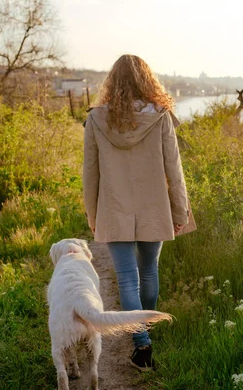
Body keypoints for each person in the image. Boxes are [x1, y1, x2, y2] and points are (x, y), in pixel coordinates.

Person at [82, 54, 193, 371]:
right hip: (154, 207)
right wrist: (180, 210)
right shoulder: (161, 116)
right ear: (147, 81)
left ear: (112, 84)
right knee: (149, 274)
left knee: (127, 281)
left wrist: (93, 215)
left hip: (115, 208)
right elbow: (174, 169)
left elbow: (90, 174)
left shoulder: (96, 119)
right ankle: (146, 334)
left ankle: (142, 345)